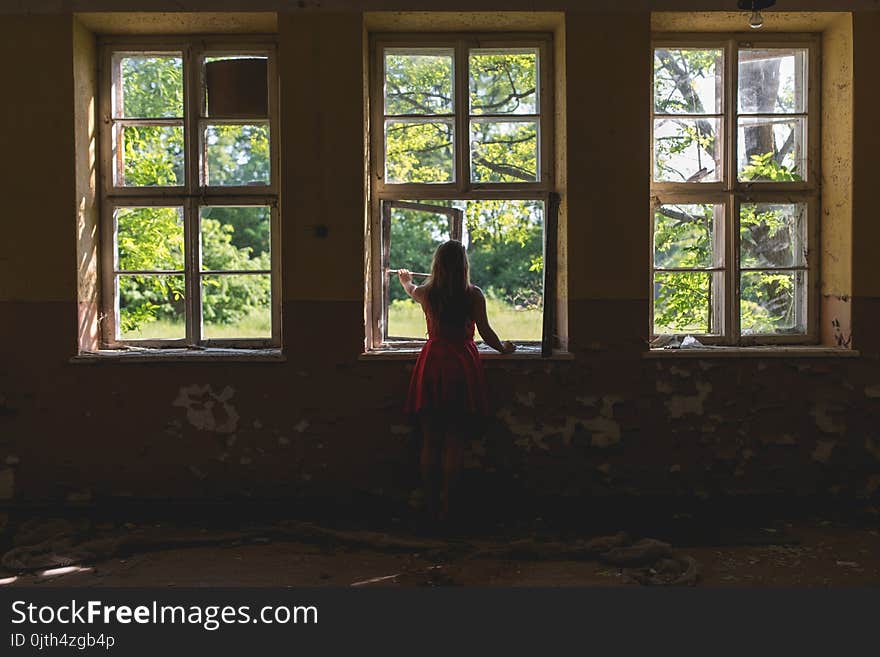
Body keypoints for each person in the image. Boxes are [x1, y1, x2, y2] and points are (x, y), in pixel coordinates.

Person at [397, 240, 516, 524]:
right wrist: (503, 349)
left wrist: (405, 281)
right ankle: (448, 506)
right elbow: (486, 332)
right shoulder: (473, 294)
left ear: (436, 265)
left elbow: (413, 291)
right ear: (464, 265)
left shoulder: (427, 293)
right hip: (461, 363)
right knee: (454, 438)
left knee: (430, 437)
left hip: (433, 362)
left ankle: (429, 503)